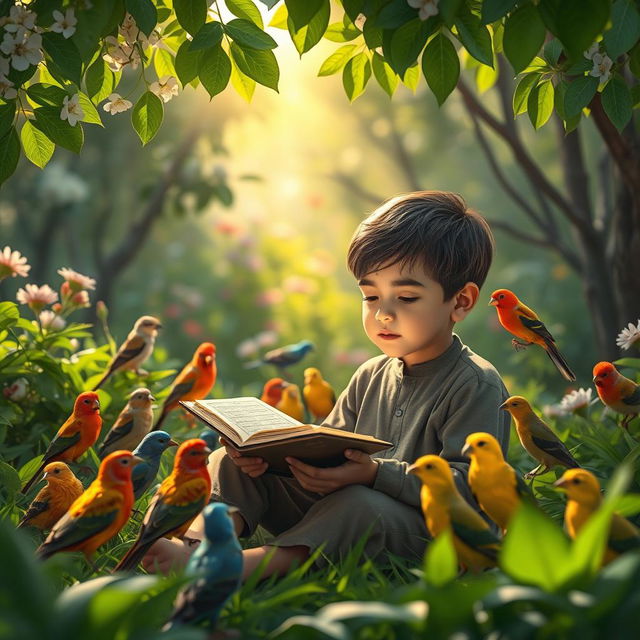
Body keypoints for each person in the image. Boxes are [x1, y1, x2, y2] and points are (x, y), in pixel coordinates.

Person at [142, 191, 511, 579]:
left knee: (358, 504)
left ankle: (240, 568)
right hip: (335, 511)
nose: (383, 314)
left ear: (461, 301)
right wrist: (267, 458)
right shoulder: (370, 375)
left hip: (424, 536)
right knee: (225, 464)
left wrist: (372, 474)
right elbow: (325, 446)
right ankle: (197, 545)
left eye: (405, 297)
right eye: (370, 296)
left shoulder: (475, 383)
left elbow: (469, 491)